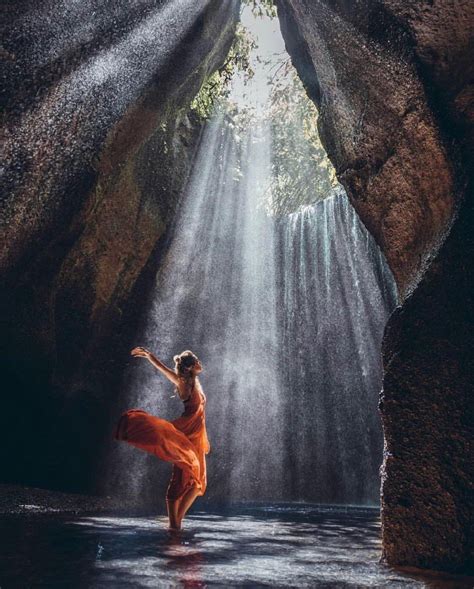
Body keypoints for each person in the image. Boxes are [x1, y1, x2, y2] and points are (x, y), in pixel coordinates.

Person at [114, 347, 210, 530]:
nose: (200, 363)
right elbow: (165, 370)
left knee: (198, 484)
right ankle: (175, 525)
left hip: (197, 437)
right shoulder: (183, 383)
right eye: (196, 361)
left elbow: (200, 411)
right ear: (190, 368)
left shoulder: (195, 383)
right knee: (181, 478)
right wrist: (150, 356)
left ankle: (175, 523)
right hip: (185, 435)